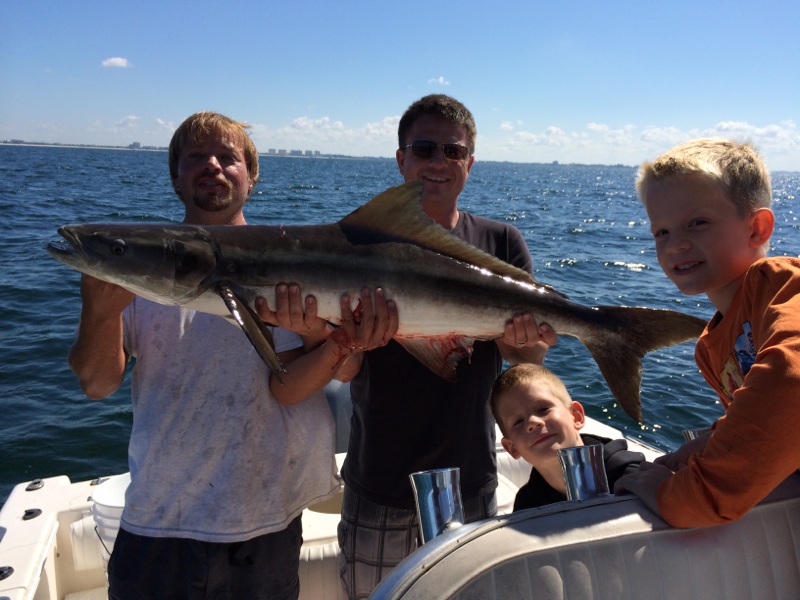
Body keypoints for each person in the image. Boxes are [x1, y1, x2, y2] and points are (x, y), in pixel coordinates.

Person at [67, 111, 396, 600]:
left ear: (252, 175)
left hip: (267, 520)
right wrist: (98, 309)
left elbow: (339, 372)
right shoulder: (136, 268)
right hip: (159, 521)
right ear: (176, 175)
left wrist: (329, 341)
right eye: (196, 157)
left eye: (228, 157)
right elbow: (97, 384)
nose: (213, 166)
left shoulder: (290, 267)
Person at [332, 94, 558, 599]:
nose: (438, 162)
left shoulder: (501, 244)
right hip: (379, 478)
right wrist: (351, 340)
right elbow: (343, 370)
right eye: (424, 148)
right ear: (401, 159)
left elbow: (528, 362)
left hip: (470, 475)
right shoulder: (353, 243)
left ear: (470, 164)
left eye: (453, 152)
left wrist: (524, 347)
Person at [614, 138, 800, 528]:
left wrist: (686, 496)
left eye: (697, 223)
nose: (675, 244)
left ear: (757, 228)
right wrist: (714, 440)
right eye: (660, 232)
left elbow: (791, 381)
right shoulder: (711, 345)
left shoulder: (783, 287)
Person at [491, 363, 643, 510]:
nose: (533, 422)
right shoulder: (526, 506)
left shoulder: (632, 476)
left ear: (576, 416)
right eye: (518, 422)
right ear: (512, 448)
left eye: (543, 409)